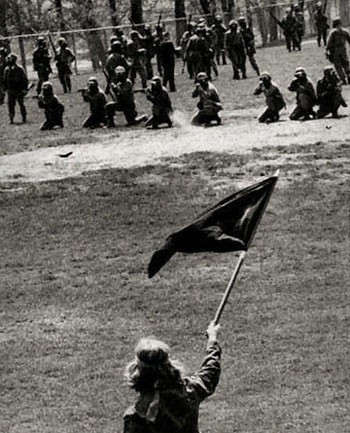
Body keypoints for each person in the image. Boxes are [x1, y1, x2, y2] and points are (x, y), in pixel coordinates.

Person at [123, 320, 221, 433]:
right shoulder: (189, 390)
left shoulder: (137, 415)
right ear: (169, 365)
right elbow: (210, 371)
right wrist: (212, 339)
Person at [3, 53, 28, 124]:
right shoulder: (7, 70)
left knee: (21, 104)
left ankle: (24, 118)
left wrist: (24, 89)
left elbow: (24, 80)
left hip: (19, 90)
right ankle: (11, 119)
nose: (8, 61)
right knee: (10, 105)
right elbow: (4, 80)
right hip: (10, 90)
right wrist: (5, 89)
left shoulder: (20, 69)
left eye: (10, 59)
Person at [326, 18, 350, 85]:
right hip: (343, 49)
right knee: (345, 63)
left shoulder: (333, 32)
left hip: (335, 51)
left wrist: (327, 51)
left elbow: (329, 43)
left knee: (338, 65)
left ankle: (343, 79)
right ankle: (348, 75)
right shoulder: (345, 32)